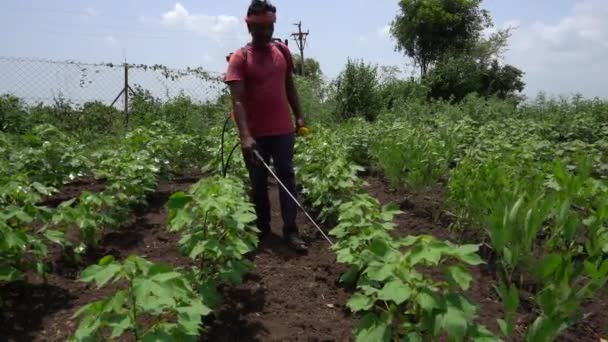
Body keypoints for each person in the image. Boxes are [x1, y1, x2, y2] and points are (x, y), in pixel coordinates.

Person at [224, 0, 308, 252]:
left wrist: (299, 116)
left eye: (269, 27)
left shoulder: (282, 52)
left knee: (287, 178)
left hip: (283, 131)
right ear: (249, 26)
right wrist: (245, 136)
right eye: (259, 27)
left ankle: (291, 230)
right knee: (258, 182)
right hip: (255, 135)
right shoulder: (240, 58)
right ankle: (262, 229)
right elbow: (237, 100)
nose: (265, 32)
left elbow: (289, 86)